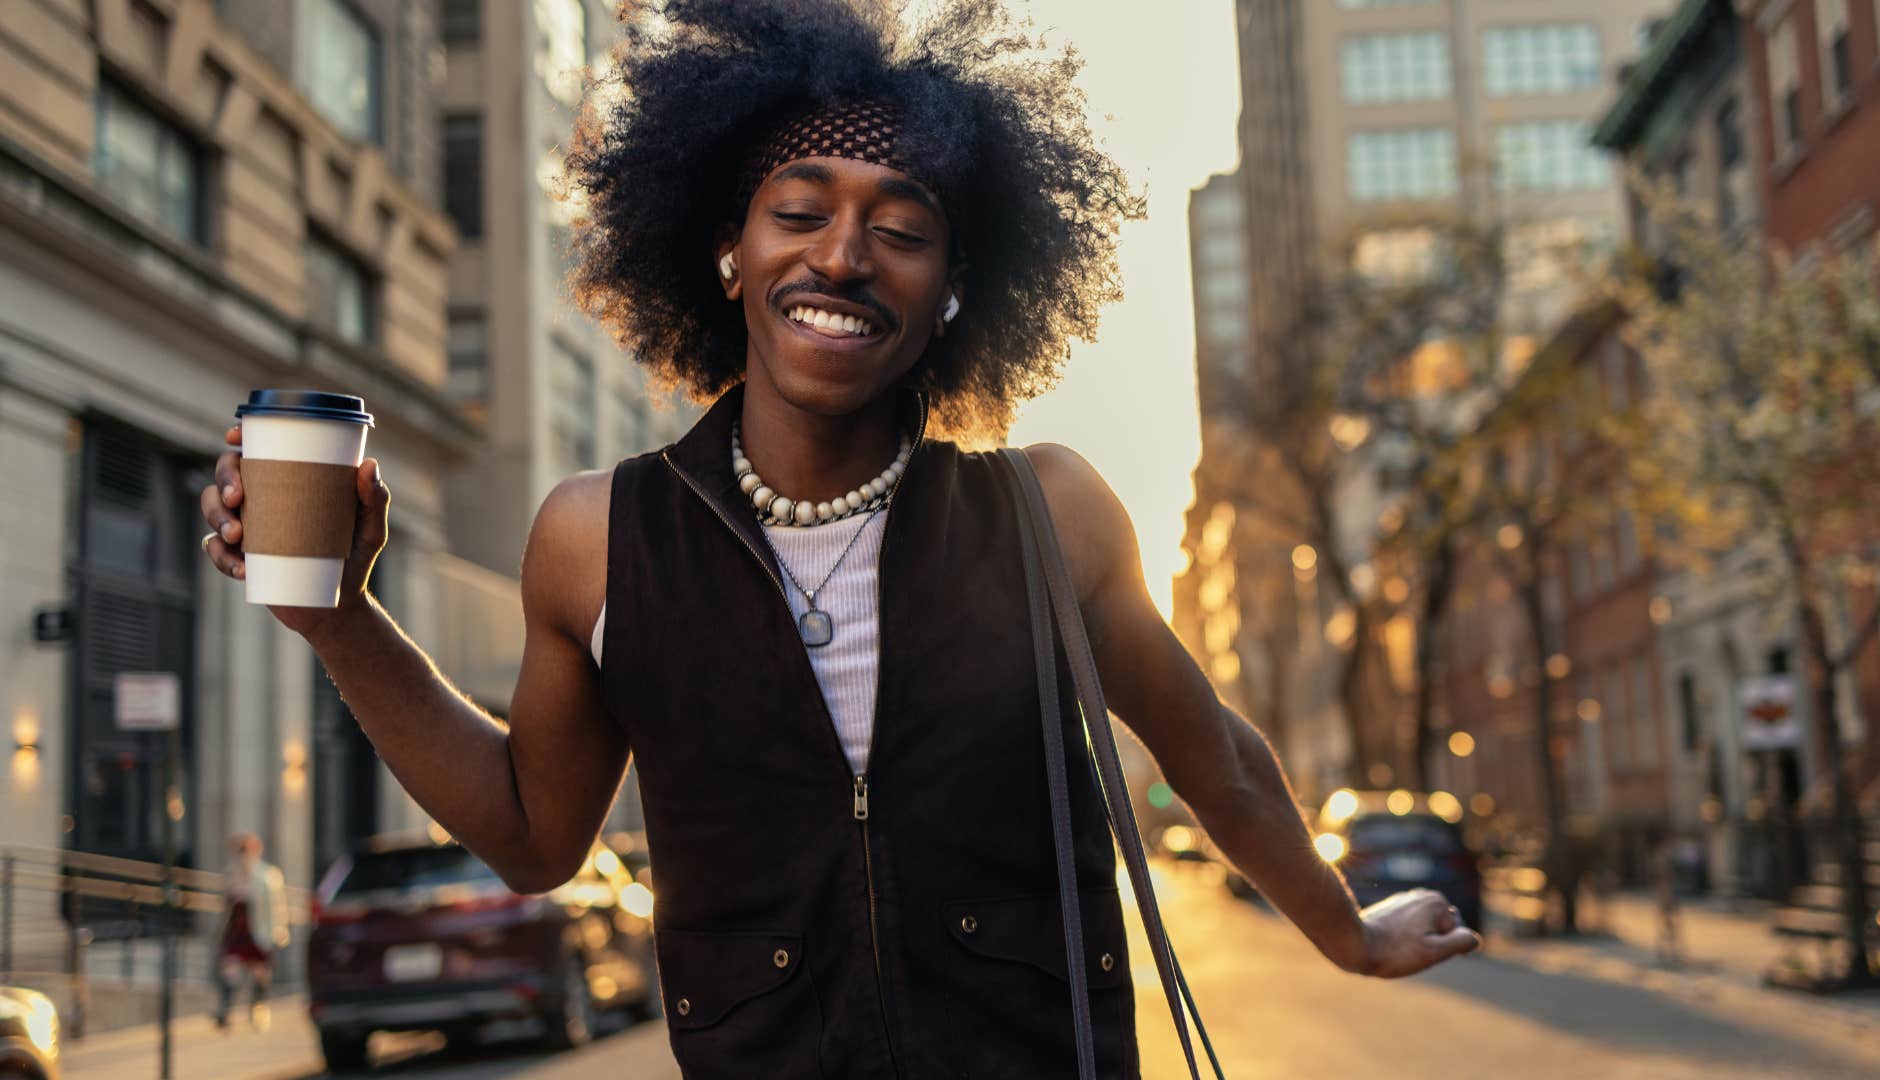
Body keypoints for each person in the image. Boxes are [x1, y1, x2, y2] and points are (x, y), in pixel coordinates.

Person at [197, 2, 1478, 1074]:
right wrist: (339, 616)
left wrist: (1344, 927)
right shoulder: (595, 536)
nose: (846, 254)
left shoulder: (1049, 510)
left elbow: (1219, 757)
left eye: (904, 229)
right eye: (798, 211)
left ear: (956, 291)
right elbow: (537, 839)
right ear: (726, 253)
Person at [212, 833, 287, 1031]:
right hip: (237, 932)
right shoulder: (231, 874)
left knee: (260, 973)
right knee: (230, 971)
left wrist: (278, 932)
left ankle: (258, 1010)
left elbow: (276, 907)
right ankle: (225, 1011)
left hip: (259, 932)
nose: (242, 857)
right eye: (239, 852)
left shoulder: (267, 876)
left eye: (245, 851)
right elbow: (226, 907)